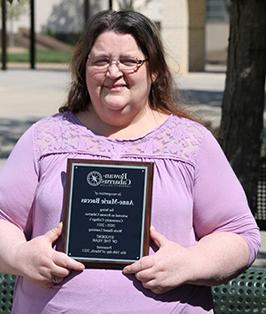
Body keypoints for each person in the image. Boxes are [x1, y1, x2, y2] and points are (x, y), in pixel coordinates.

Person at [0, 10, 260, 314]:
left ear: (154, 71)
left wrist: (191, 263)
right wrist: (20, 255)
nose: (113, 72)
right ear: (83, 70)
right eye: (100, 61)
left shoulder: (192, 143)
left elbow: (240, 235)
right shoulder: (43, 138)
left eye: (129, 61)